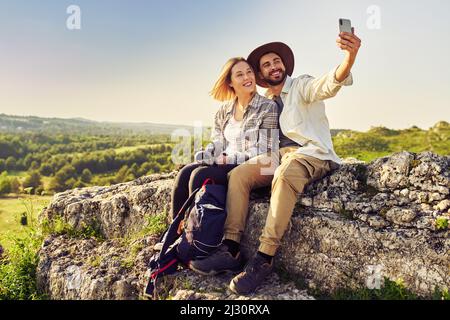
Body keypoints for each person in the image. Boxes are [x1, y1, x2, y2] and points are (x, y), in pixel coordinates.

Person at [190, 29, 362, 295]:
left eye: (276, 61)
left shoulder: (301, 86)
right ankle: (232, 249)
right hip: (277, 156)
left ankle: (264, 258)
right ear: (261, 73)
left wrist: (349, 58)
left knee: (284, 174)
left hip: (310, 153)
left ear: (284, 65)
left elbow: (328, 83)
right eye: (266, 64)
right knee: (238, 175)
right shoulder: (266, 102)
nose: (273, 67)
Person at [169, 57, 278, 223]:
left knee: (199, 176)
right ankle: (175, 231)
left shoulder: (268, 107)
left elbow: (264, 149)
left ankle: (195, 234)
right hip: (224, 160)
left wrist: (230, 159)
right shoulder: (224, 110)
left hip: (249, 165)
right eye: (240, 74)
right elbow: (218, 140)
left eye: (249, 72)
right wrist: (208, 152)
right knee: (184, 173)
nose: (247, 77)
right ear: (230, 82)